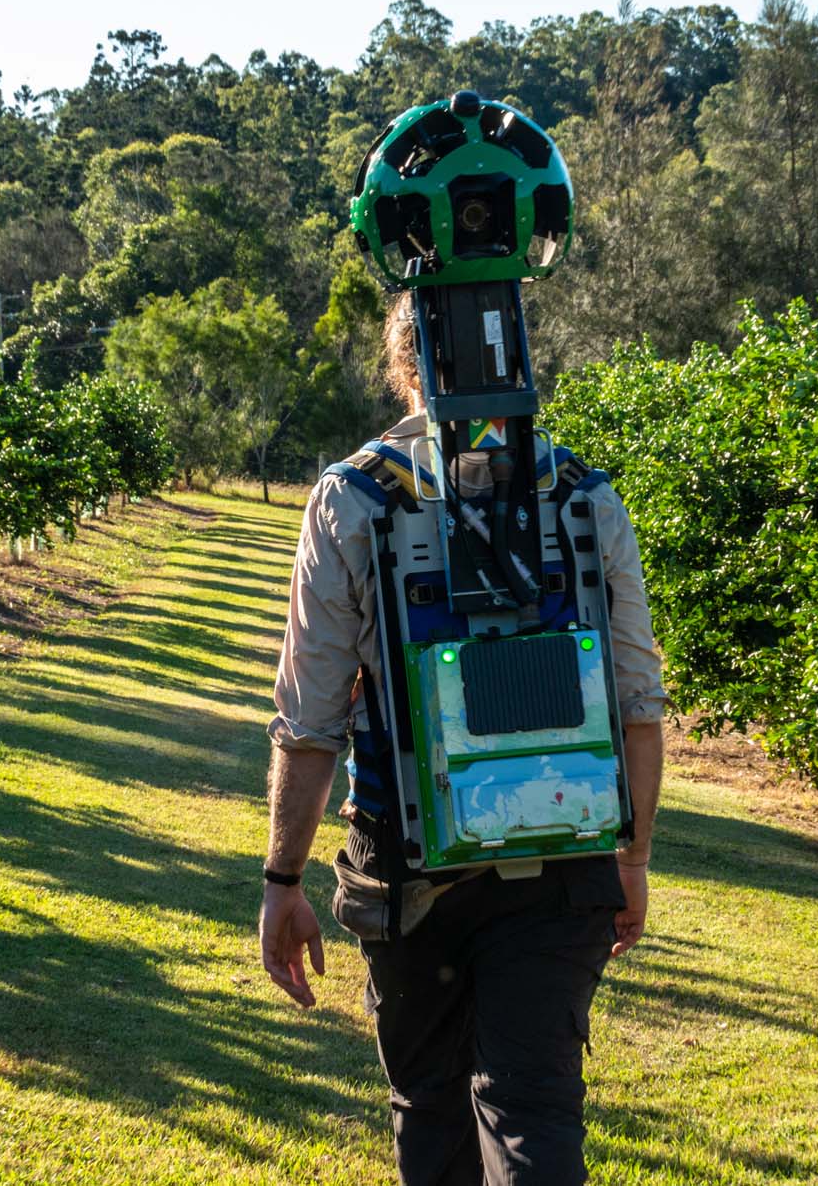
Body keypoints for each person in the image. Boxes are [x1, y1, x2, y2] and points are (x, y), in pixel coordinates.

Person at [258, 297, 666, 1185]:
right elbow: (638, 699)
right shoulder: (587, 497)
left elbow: (313, 718)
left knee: (431, 1104)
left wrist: (281, 879)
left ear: (404, 366)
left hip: (408, 874)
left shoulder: (353, 498)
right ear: (513, 351)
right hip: (566, 857)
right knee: (534, 1107)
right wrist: (629, 858)